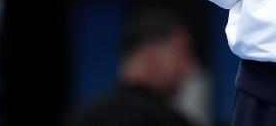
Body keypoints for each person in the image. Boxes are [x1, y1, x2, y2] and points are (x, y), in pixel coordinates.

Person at [67, 9, 197, 126]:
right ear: (153, 54)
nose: (188, 66)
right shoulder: (166, 121)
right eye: (183, 54)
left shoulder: (84, 117)